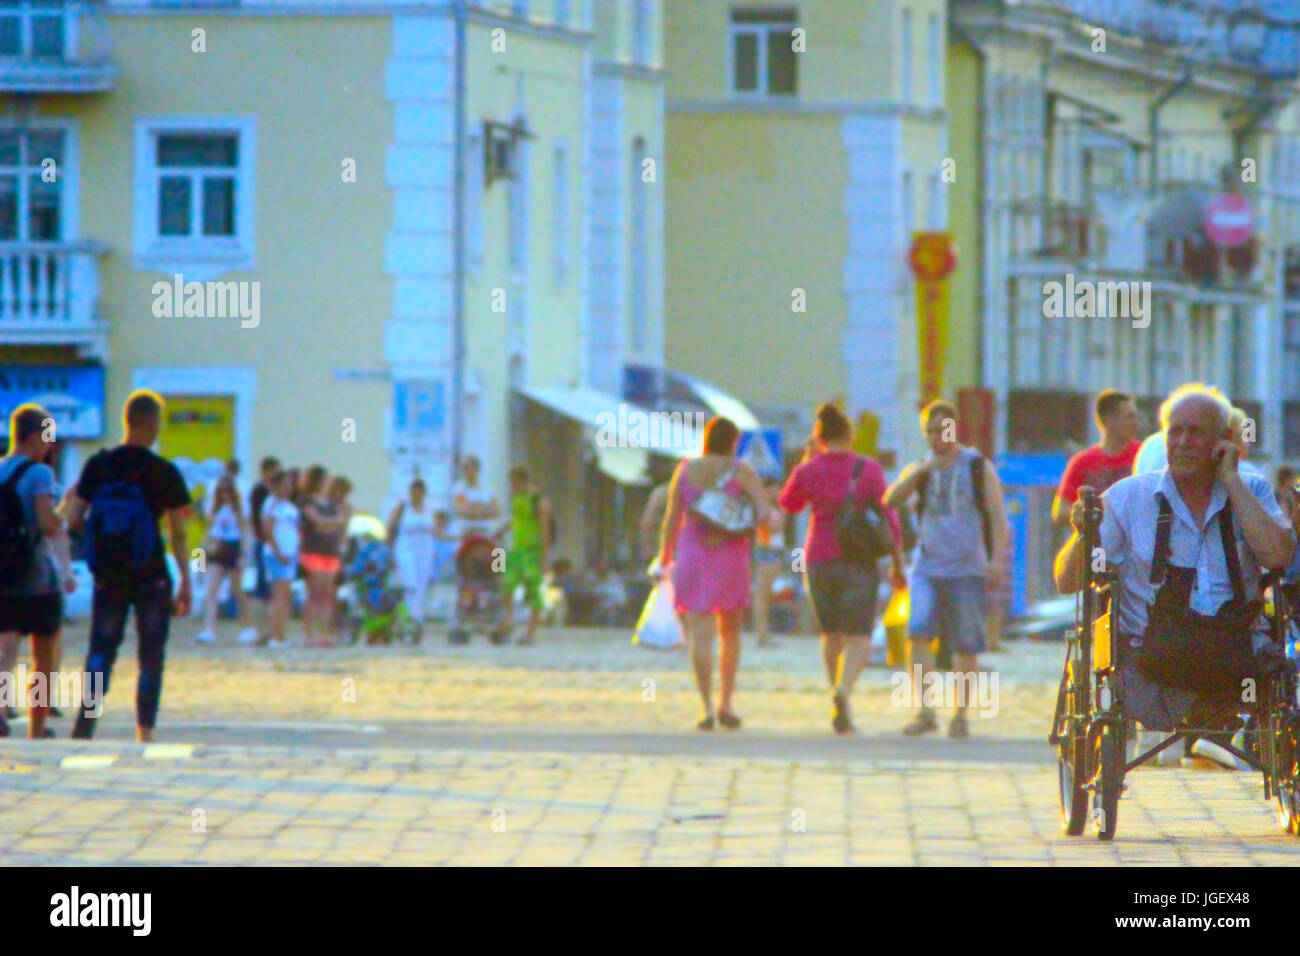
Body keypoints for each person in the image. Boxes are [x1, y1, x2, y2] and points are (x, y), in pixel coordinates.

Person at [1054, 386, 1295, 745]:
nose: (1183, 442)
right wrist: (1082, 534)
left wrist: (1231, 480)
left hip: (1234, 651)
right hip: (1151, 654)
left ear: (1225, 441)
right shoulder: (1127, 497)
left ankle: (1219, 730)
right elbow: (1066, 581)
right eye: (1175, 431)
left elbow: (1278, 558)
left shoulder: (1252, 490)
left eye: (1197, 432)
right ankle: (1208, 731)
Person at [64, 391, 193, 742]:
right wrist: (185, 581)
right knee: (150, 656)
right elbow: (179, 534)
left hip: (108, 577)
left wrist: (100, 541)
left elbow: (75, 519)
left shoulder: (98, 465)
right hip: (151, 575)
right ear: (151, 424)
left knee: (101, 650)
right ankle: (144, 732)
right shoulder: (163, 471)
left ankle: (85, 725)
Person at [884, 398, 1008, 739]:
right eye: (930, 431)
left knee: (966, 645)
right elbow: (890, 501)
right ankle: (925, 710)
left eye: (943, 429)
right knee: (918, 635)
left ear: (955, 429)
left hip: (967, 567)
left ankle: (961, 715)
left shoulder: (976, 466)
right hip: (926, 567)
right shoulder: (920, 469)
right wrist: (919, 473)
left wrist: (996, 559)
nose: (937, 437)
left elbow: (997, 517)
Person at [780, 403, 905, 733]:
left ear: (818, 438)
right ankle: (844, 690)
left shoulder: (808, 470)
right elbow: (889, 516)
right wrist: (898, 563)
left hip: (818, 559)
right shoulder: (868, 468)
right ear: (849, 435)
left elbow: (789, 505)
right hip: (858, 561)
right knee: (859, 636)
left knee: (830, 633)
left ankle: (835, 689)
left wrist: (806, 461)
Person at [657, 416, 770, 731]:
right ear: (733, 442)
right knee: (730, 633)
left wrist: (663, 557)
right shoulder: (741, 470)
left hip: (692, 552)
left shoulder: (685, 470)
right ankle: (726, 703)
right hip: (730, 554)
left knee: (700, 634)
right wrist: (743, 523)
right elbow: (763, 512)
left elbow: (671, 519)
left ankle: (705, 707)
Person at [0, 406, 76, 739]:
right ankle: (37, 726)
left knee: (3, 650)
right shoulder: (41, 474)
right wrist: (68, 510)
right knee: (43, 654)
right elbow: (48, 523)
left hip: (3, 577)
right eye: (47, 438)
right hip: (37, 578)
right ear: (33, 437)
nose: (50, 446)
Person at [1052, 389, 1142, 527]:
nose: (1136, 423)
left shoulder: (1142, 454)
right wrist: (1087, 515)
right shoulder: (1082, 462)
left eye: (1136, 417)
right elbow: (1060, 512)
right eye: (1129, 417)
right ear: (1108, 420)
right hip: (1095, 544)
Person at [195, 475, 256, 645]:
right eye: (221, 491)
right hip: (215, 547)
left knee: (237, 590)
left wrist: (244, 554)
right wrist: (201, 555)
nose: (225, 494)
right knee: (211, 590)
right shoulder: (213, 509)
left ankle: (248, 626)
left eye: (228, 491)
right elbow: (208, 533)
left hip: (233, 547)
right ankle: (208, 629)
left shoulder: (239, 509)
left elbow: (244, 532)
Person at [495, 465, 553, 645]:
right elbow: (516, 519)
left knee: (533, 592)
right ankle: (510, 620)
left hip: (532, 551)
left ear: (521, 481)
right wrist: (502, 529)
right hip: (515, 549)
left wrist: (545, 557)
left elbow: (545, 528)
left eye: (513, 482)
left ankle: (530, 634)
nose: (511, 486)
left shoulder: (539, 500)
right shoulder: (516, 498)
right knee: (506, 584)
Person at [298, 465, 348, 648]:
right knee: (315, 593)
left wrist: (328, 524)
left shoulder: (331, 503)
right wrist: (330, 523)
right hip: (313, 551)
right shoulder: (307, 502)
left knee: (328, 595)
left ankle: (325, 634)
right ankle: (308, 633)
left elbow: (338, 521)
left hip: (331, 552)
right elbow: (317, 522)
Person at [259, 469, 299, 649]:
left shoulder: (288, 504)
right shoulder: (272, 504)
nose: (288, 487)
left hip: (289, 554)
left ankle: (281, 634)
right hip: (277, 555)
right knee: (279, 596)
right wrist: (278, 553)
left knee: (285, 595)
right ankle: (275, 636)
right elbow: (268, 530)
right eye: (285, 484)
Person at [388, 478, 436, 626]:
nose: (417, 494)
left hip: (425, 548)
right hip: (405, 547)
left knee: (422, 583)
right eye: (414, 491)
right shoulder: (402, 507)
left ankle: (418, 617)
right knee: (411, 581)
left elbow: (435, 530)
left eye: (420, 491)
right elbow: (390, 527)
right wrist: (388, 549)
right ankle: (410, 616)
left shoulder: (429, 508)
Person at [247, 455, 280, 641]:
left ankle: (269, 627)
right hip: (262, 541)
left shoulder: (276, 493)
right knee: (261, 584)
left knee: (272, 587)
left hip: (272, 542)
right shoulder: (259, 490)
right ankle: (258, 627)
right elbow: (256, 517)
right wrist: (262, 536)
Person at [752, 479, 786, 648]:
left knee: (769, 594)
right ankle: (761, 633)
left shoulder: (775, 508)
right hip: (766, 550)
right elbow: (775, 527)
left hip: (776, 550)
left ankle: (765, 632)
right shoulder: (765, 509)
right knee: (762, 593)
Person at [452, 455, 500, 540]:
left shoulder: (487, 489)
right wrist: (484, 508)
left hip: (485, 533)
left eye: (467, 468)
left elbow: (496, 511)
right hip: (467, 533)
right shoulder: (459, 489)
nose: (464, 471)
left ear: (476, 469)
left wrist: (473, 507)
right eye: (463, 468)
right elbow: (462, 511)